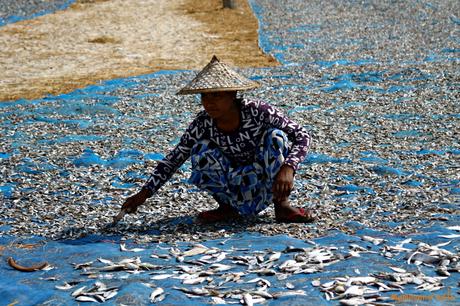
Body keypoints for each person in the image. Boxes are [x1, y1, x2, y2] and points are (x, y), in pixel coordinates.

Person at [120, 56, 314, 224]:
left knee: (276, 137)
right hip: (233, 183)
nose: (209, 102)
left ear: (232, 94)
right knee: (199, 150)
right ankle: (227, 207)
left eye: (217, 95)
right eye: (205, 96)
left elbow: (302, 135)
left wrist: (289, 167)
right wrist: (143, 194)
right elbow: (174, 159)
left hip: (267, 181)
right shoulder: (203, 123)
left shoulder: (258, 111)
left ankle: (282, 206)